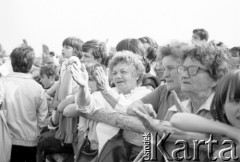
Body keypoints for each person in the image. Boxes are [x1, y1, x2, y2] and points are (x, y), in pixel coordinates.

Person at [134, 42, 229, 162]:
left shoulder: (226, 116)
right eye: (183, 68)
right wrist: (150, 133)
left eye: (193, 69)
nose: (184, 74)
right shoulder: (172, 112)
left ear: (215, 79)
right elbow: (151, 157)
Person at [68, 51, 152, 161]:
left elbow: (129, 109)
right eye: (115, 73)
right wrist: (83, 88)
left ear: (137, 75)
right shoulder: (107, 91)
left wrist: (106, 91)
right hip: (106, 156)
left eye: (123, 72)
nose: (118, 76)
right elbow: (84, 105)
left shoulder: (145, 93)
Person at [170, 70, 240, 162]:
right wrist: (230, 131)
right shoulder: (223, 138)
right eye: (235, 101)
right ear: (222, 106)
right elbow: (177, 119)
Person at [1, 46, 48, 162]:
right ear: (31, 65)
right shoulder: (38, 88)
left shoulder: (2, 84)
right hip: (28, 143)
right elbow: (43, 122)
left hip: (3, 141)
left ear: (11, 62)